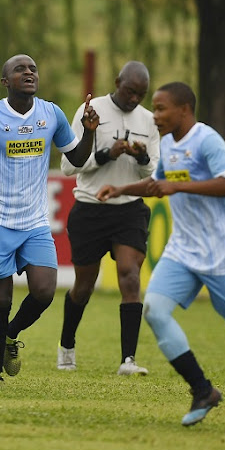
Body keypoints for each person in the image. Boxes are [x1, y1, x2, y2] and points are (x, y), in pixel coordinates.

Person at [96, 82, 225, 435]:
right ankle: (203, 391)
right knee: (155, 311)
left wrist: (180, 186)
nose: (155, 115)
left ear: (184, 109)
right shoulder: (169, 144)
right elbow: (158, 184)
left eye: (161, 109)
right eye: (154, 109)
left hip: (223, 254)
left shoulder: (207, 141)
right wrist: (122, 189)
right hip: (183, 250)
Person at [0, 54, 100, 385]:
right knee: (0, 298)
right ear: (5, 82)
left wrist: (88, 132)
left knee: (44, 291)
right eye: (19, 69)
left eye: (33, 68)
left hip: (35, 221)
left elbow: (79, 158)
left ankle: (11, 335)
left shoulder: (52, 113)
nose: (28, 72)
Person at [59, 61, 160, 375]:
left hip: (129, 208)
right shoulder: (91, 110)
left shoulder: (150, 121)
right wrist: (106, 154)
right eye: (130, 91)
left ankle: (127, 360)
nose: (134, 100)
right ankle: (66, 344)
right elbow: (68, 166)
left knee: (130, 276)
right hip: (90, 207)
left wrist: (140, 155)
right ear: (118, 82)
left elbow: (151, 170)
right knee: (84, 287)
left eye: (141, 95)